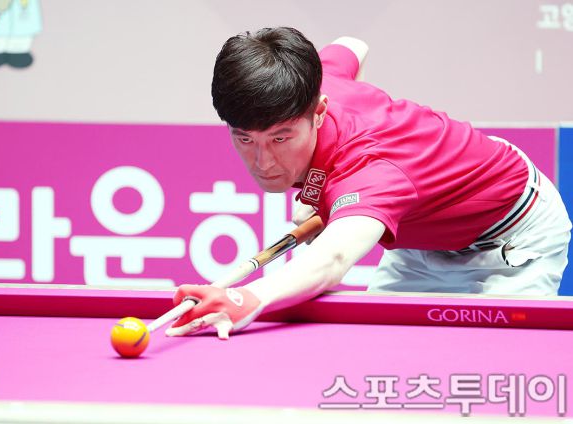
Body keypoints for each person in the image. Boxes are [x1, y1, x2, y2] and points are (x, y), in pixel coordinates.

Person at [165, 27, 572, 340]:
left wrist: (248, 298)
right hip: (423, 231)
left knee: (494, 366)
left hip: (511, 237)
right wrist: (322, 188)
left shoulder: (370, 170)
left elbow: (333, 259)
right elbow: (351, 44)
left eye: (281, 138)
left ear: (319, 111)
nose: (263, 161)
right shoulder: (308, 81)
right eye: (244, 139)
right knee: (381, 350)